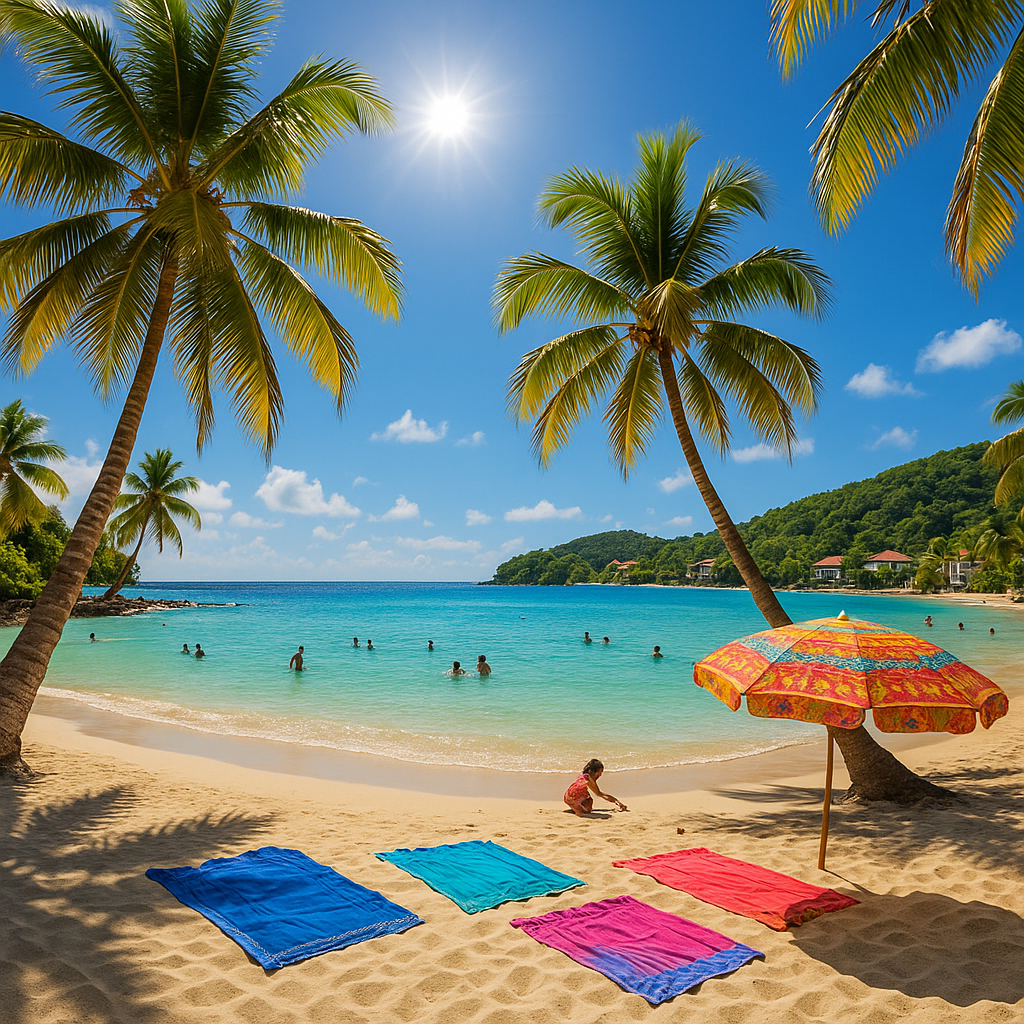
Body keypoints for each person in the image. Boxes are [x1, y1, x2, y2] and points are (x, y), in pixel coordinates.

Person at [564, 759, 628, 816]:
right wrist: (617, 801)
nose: (600, 775)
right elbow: (599, 793)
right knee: (589, 804)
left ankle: (577, 808)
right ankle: (579, 810)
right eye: (600, 772)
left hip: (567, 797)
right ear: (592, 771)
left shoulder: (583, 776)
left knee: (586, 800)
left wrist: (616, 801)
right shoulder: (589, 779)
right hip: (575, 798)